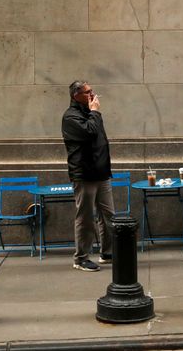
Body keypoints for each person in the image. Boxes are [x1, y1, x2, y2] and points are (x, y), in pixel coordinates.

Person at [61, 80, 115, 271]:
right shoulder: (71, 117)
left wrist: (94, 113)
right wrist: (95, 112)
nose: (92, 95)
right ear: (75, 96)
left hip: (101, 173)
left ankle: (107, 252)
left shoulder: (91, 114)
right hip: (84, 174)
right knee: (85, 217)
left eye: (92, 91)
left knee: (108, 215)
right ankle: (81, 258)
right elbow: (90, 133)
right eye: (87, 92)